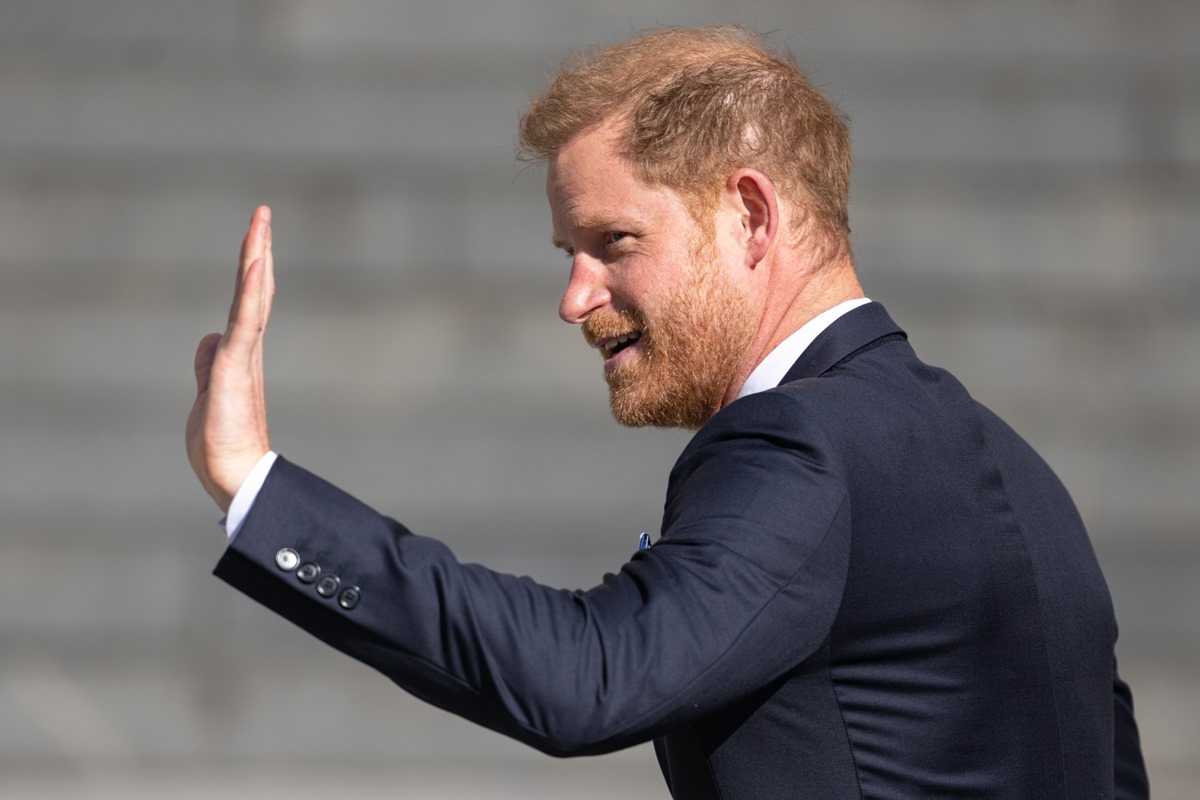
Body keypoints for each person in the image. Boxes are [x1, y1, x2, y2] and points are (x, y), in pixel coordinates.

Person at [187, 26, 1149, 799]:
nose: (574, 296)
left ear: (753, 217)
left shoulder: (801, 443)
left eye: (615, 241)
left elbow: (591, 677)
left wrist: (258, 488)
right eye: (568, 251)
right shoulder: (1018, 469)